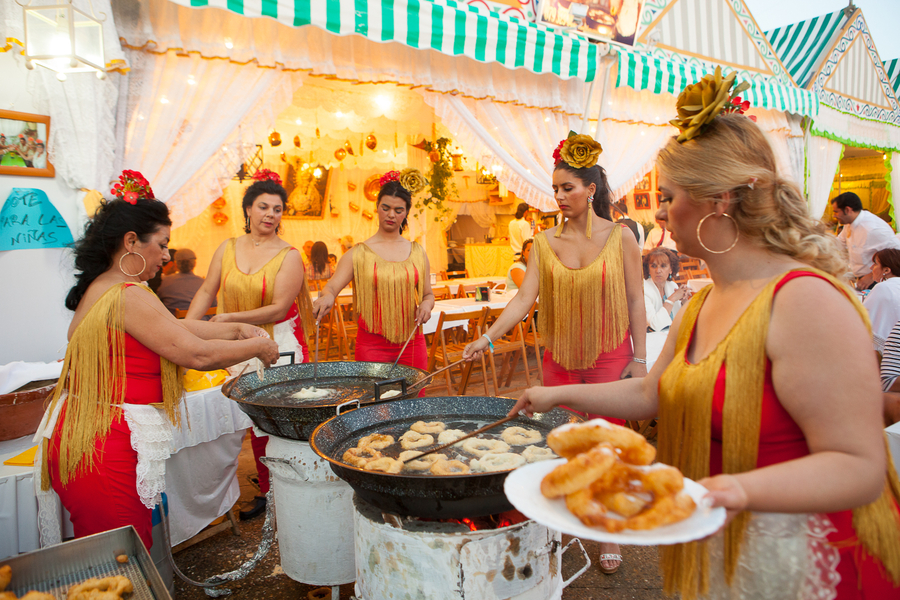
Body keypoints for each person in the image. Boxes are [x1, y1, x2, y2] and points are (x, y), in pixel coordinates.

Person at [510, 72, 900, 599]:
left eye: (669, 196)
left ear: (718, 200)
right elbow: (651, 391)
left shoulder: (805, 300)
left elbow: (859, 468)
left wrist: (730, 490)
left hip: (798, 561)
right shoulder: (705, 301)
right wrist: (552, 395)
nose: (661, 212)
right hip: (722, 544)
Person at [35, 171, 278, 550]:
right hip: (102, 445)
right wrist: (259, 348)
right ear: (131, 241)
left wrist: (237, 329)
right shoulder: (126, 294)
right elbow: (194, 353)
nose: (167, 255)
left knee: (124, 556)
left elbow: (178, 329)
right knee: (121, 560)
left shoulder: (112, 286)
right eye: (162, 244)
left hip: (93, 437)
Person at [464, 132, 647, 576]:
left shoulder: (621, 237)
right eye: (556, 189)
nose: (560, 196)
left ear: (591, 189)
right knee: (563, 443)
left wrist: (639, 358)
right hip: (561, 357)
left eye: (568, 188)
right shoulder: (543, 243)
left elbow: (636, 299)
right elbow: (524, 299)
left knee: (606, 447)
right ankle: (560, 526)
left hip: (609, 355)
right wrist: (485, 338)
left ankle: (604, 529)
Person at [187, 169, 312, 521]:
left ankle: (279, 490)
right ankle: (237, 492)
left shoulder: (288, 255)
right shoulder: (227, 248)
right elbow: (206, 291)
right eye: (263, 207)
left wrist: (228, 319)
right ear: (247, 210)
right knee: (231, 417)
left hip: (273, 342)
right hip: (229, 345)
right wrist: (189, 329)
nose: (271, 214)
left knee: (271, 420)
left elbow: (279, 307)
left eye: (277, 209)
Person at [313, 169, 435, 370]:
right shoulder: (359, 253)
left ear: (406, 213)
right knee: (374, 400)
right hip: (371, 344)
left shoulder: (417, 252)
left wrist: (426, 305)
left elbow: (428, 294)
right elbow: (332, 287)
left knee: (414, 400)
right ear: (377, 207)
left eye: (398, 210)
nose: (391, 215)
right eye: (385, 207)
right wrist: (327, 296)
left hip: (411, 342)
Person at [832, 191, 900, 290]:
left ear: (847, 210)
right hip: (860, 280)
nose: (834, 215)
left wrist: (872, 276)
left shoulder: (873, 228)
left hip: (877, 283)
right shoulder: (849, 224)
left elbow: (897, 254)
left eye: (836, 212)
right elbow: (837, 244)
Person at [643, 247, 691, 331]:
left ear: (671, 269)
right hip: (651, 338)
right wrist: (672, 298)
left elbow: (684, 320)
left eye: (663, 266)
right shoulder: (644, 289)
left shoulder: (672, 285)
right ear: (648, 269)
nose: (658, 270)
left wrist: (684, 300)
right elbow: (655, 325)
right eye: (653, 266)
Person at [157, 248, 215, 316]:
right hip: (202, 323)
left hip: (175, 324)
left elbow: (158, 303)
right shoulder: (205, 283)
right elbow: (214, 308)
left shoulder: (165, 281)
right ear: (195, 264)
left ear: (175, 264)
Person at [863, 248, 900, 354]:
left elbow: (863, 321)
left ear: (886, 270)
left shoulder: (883, 287)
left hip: (889, 356)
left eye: (875, 264)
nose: (871, 268)